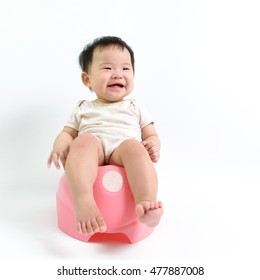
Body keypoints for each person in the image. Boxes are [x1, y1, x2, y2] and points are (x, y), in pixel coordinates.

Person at [47, 36, 163, 236]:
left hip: (122, 153)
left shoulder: (135, 107)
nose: (117, 74)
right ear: (87, 79)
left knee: (135, 148)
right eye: (107, 68)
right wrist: (60, 144)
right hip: (95, 153)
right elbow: (67, 133)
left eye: (125, 69)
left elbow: (151, 133)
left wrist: (153, 144)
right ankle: (83, 199)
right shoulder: (82, 107)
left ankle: (146, 204)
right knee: (82, 142)